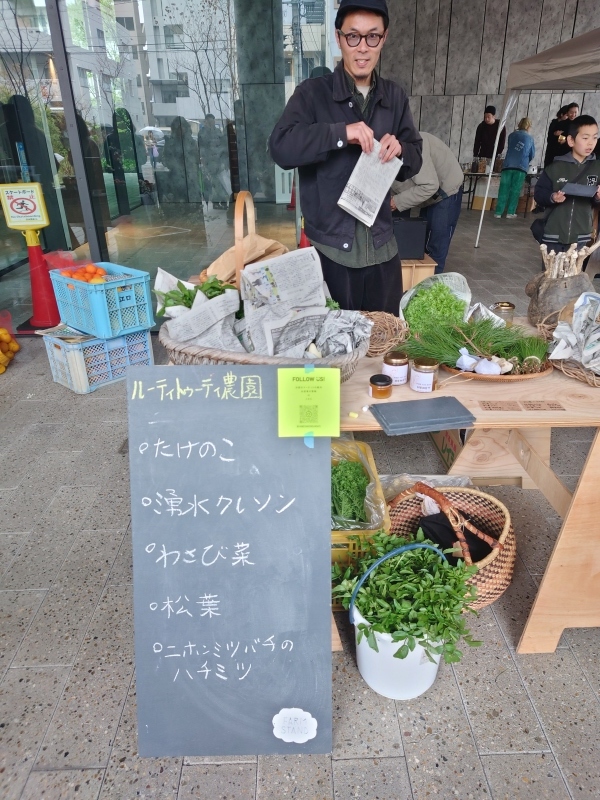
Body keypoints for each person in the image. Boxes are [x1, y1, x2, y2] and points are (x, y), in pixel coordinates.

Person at [269, 0, 422, 314]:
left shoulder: (394, 97)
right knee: (334, 354)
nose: (362, 48)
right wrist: (340, 133)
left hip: (382, 251)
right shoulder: (312, 94)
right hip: (330, 255)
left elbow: (415, 156)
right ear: (339, 38)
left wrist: (401, 150)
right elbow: (281, 147)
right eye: (353, 36)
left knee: (384, 344)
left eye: (372, 37)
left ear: (384, 38)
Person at [390, 131, 463, 274]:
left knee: (436, 244)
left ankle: (430, 289)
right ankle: (409, 282)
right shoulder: (380, 153)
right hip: (425, 192)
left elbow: (429, 185)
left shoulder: (414, 147)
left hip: (445, 190)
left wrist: (395, 202)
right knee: (413, 243)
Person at [534, 114, 600, 254]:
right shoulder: (555, 167)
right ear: (571, 140)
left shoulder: (597, 168)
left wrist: (598, 198)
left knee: (573, 275)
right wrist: (552, 197)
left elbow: (595, 203)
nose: (591, 143)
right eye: (585, 138)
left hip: (581, 237)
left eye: (594, 137)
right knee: (551, 275)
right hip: (553, 234)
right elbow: (539, 194)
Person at [495, 117, 535, 219]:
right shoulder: (530, 138)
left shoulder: (511, 135)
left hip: (507, 165)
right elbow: (532, 154)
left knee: (503, 189)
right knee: (515, 190)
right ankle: (510, 212)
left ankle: (498, 212)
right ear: (529, 126)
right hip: (520, 166)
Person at [162, 116, 202, 204]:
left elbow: (197, 158)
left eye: (182, 126)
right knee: (180, 204)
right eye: (178, 127)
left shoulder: (191, 142)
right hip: (177, 179)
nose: (181, 129)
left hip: (192, 178)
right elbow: (165, 160)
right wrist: (176, 165)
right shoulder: (170, 143)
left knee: (194, 204)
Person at [198, 114, 230, 209]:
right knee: (216, 182)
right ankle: (221, 201)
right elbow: (202, 148)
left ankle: (219, 201)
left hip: (219, 161)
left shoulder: (217, 131)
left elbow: (223, 145)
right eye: (210, 122)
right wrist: (203, 161)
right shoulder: (202, 133)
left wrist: (225, 160)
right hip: (209, 162)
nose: (212, 124)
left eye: (213, 121)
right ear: (205, 122)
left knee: (220, 182)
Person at [544, 102, 579, 166]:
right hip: (560, 155)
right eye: (571, 112)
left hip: (573, 156)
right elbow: (558, 140)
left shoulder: (579, 126)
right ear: (567, 112)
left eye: (575, 112)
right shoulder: (561, 124)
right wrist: (563, 139)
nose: (573, 114)